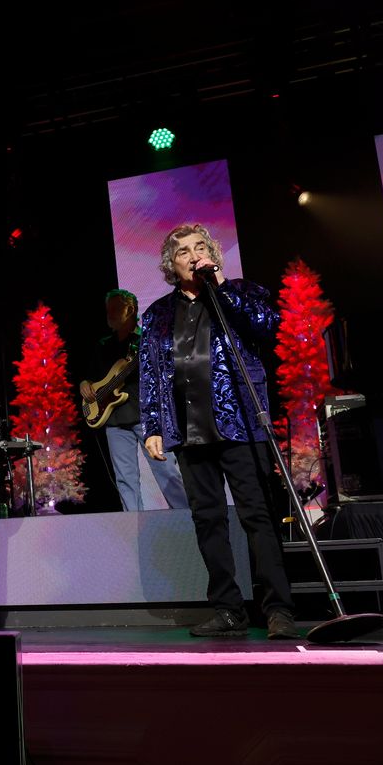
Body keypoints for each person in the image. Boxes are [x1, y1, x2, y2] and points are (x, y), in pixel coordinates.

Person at [138, 224, 297, 639]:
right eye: (183, 251)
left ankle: (278, 609)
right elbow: (151, 375)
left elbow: (267, 326)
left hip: (240, 421)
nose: (193, 255)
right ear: (171, 265)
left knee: (257, 517)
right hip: (188, 429)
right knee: (208, 521)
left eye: (200, 247)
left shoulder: (240, 292)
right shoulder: (156, 314)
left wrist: (222, 285)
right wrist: (153, 425)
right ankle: (228, 608)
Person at [80, 289, 188, 511]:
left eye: (115, 308)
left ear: (130, 310)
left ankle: (186, 520)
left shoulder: (146, 340)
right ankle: (136, 524)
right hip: (113, 419)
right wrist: (84, 384)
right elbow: (92, 376)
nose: (109, 313)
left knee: (166, 472)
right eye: (108, 309)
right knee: (125, 479)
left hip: (147, 416)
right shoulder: (103, 344)